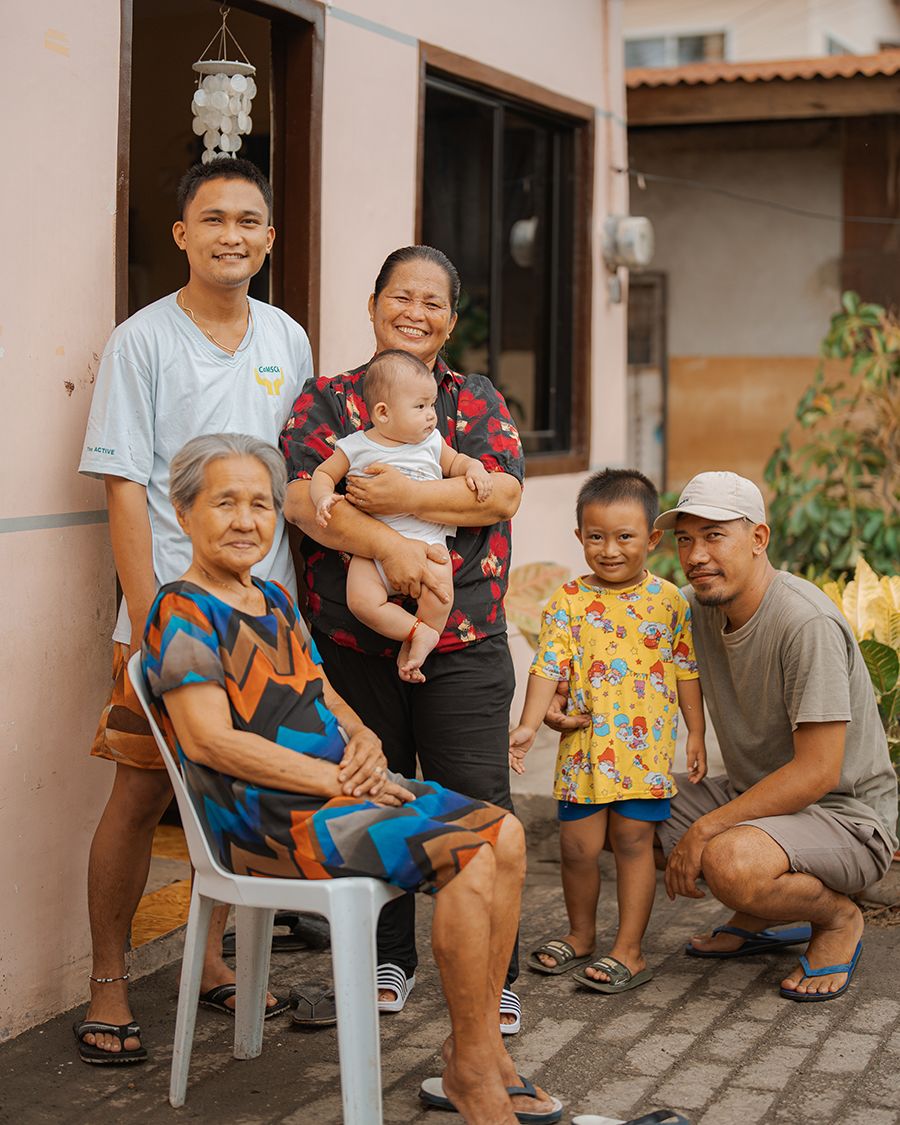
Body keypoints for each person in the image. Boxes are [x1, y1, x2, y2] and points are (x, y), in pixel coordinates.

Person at [141, 433, 562, 1125]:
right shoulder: (183, 610)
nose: (247, 519)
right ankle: (481, 1078)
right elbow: (209, 742)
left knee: (508, 835)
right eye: (225, 503)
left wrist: (363, 737)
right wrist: (338, 779)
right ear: (184, 513)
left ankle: (474, 1057)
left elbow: (325, 695)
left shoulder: (272, 599)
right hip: (264, 816)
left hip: (333, 787)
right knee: (466, 859)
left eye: (260, 503)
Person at [75, 159, 312, 1065]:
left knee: (237, 791)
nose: (231, 235)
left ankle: (212, 964)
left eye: (249, 220)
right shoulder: (142, 341)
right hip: (170, 619)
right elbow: (125, 489)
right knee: (139, 793)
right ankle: (106, 979)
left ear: (268, 237)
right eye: (212, 219)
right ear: (181, 235)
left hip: (265, 619)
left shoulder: (286, 338)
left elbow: (294, 481)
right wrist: (151, 623)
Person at [280, 245, 525, 1031]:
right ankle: (387, 960)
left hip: (465, 641)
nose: (414, 312)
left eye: (432, 302)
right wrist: (390, 542)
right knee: (371, 799)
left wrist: (406, 494)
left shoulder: (474, 398)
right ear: (374, 302)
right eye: (400, 296)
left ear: (451, 322)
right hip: (353, 644)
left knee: (479, 809)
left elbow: (503, 491)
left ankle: (495, 976)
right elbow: (299, 496)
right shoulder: (328, 400)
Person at [655, 471, 899, 1001]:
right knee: (624, 807)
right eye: (685, 539)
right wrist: (559, 698)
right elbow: (623, 638)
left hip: (846, 818)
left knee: (728, 860)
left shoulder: (803, 622)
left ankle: (837, 919)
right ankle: (761, 914)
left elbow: (819, 772)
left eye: (714, 536)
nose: (696, 555)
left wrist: (703, 832)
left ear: (759, 540)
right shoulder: (697, 608)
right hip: (761, 801)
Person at [509, 469, 707, 993]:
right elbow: (546, 668)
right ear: (580, 537)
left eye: (625, 537)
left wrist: (696, 734)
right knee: (576, 848)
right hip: (584, 753)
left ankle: (630, 948)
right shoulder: (567, 601)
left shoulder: (670, 602)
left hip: (643, 756)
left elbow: (687, 671)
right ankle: (580, 935)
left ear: (652, 539)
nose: (610, 549)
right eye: (596, 537)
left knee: (634, 843)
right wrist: (528, 726)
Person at [309, 348, 493, 682]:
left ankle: (417, 648)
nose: (431, 415)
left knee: (440, 597)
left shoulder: (433, 444)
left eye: (432, 405)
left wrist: (475, 468)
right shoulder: (357, 446)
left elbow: (458, 463)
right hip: (372, 545)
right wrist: (322, 497)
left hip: (429, 546)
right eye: (420, 407)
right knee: (362, 602)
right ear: (383, 412)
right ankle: (414, 631)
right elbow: (322, 474)